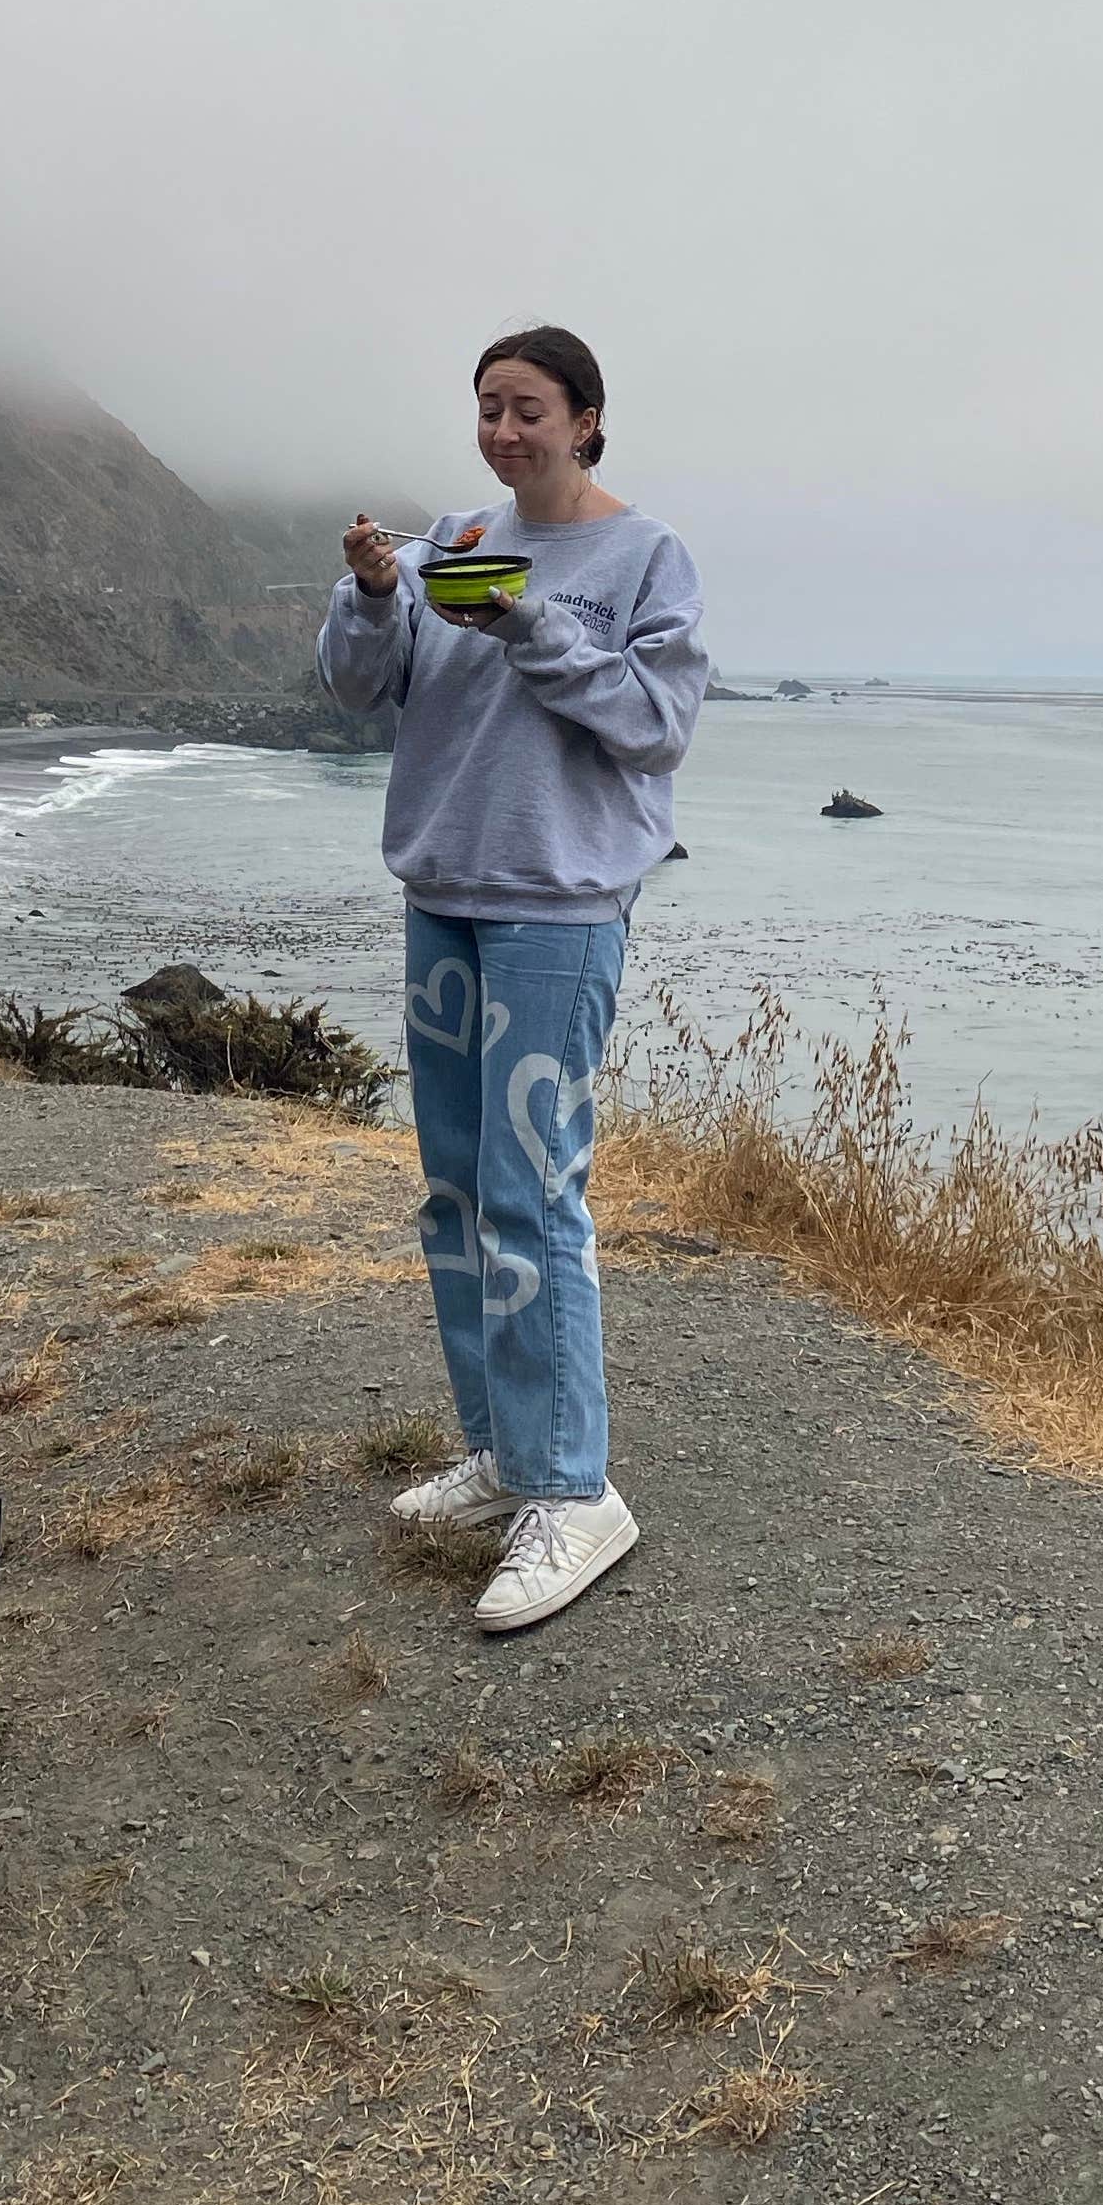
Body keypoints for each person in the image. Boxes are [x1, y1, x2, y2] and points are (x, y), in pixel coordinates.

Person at [317, 325, 707, 1632]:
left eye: (529, 408)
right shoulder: (448, 546)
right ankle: (507, 1454)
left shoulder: (646, 559)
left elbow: (654, 729)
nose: (504, 430)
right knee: (457, 1195)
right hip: (447, 901)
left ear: (589, 420)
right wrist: (378, 593)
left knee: (536, 1197)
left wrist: (529, 620)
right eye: (488, 407)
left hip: (560, 913)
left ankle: (577, 1491)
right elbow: (356, 687)